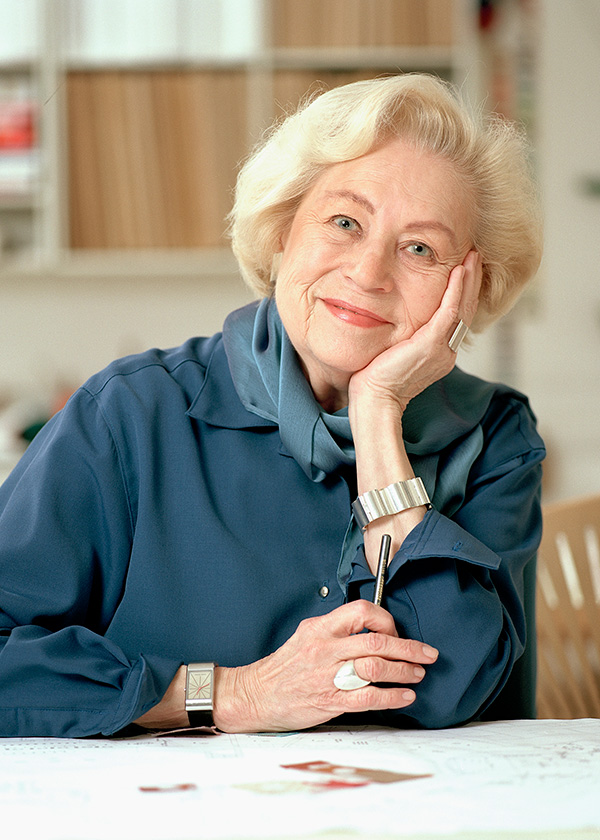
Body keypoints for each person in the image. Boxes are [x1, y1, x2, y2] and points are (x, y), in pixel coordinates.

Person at [0, 73, 544, 738]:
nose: (369, 273)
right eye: (344, 222)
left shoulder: (496, 436)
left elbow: (459, 688)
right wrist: (229, 695)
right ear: (284, 230)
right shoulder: (132, 414)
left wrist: (379, 422)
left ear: (466, 287)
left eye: (420, 248)